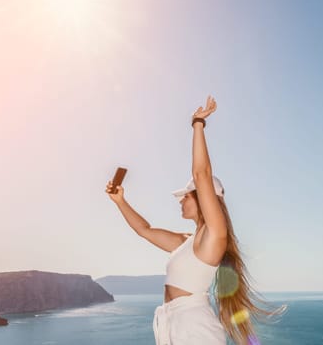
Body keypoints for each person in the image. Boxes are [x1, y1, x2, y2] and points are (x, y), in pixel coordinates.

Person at [106, 96, 285, 345]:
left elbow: (202, 174)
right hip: (173, 324)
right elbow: (144, 230)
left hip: (194, 328)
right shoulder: (186, 241)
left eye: (185, 197)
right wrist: (120, 201)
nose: (180, 201)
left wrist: (198, 123)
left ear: (203, 198)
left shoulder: (214, 235)